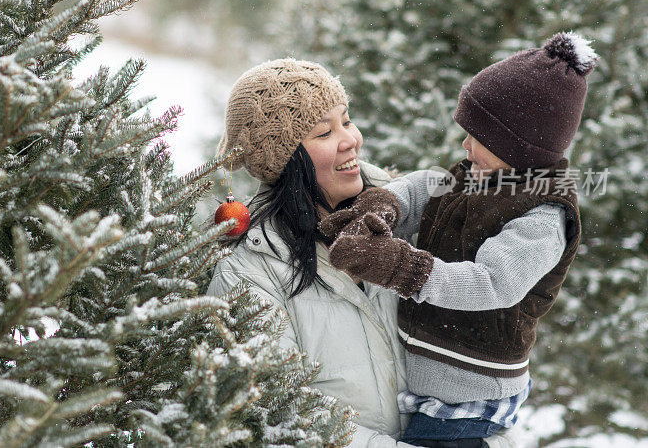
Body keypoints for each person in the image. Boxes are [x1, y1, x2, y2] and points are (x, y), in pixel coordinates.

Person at [207, 58, 520, 447]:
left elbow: (489, 352)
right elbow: (279, 413)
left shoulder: (411, 212)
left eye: (347, 120)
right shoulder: (250, 271)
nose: (351, 139)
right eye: (324, 131)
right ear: (284, 160)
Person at [322, 33, 596, 447]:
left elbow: (491, 283)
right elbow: (422, 188)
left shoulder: (543, 216)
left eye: (478, 139)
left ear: (517, 148)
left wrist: (402, 268)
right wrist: (382, 205)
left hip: (466, 403)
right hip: (428, 385)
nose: (465, 146)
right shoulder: (480, 172)